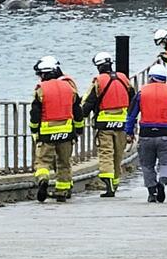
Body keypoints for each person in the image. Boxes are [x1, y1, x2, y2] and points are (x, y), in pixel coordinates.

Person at [125, 64, 167, 203]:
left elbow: (131, 116)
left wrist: (129, 132)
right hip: (166, 133)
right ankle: (163, 181)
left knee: (147, 165)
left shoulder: (141, 93)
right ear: (165, 79)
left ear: (150, 78)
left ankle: (151, 192)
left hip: (146, 134)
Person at [29, 56, 84, 203]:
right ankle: (62, 191)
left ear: (44, 74)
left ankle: (43, 180)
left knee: (42, 162)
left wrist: (34, 130)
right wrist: (79, 129)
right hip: (66, 133)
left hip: (47, 133)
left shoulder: (41, 90)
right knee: (64, 163)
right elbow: (77, 111)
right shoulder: (69, 87)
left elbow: (35, 113)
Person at [81, 52, 135, 198]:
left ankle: (108, 183)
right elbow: (133, 100)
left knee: (106, 154)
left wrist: (79, 119)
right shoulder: (124, 79)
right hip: (122, 125)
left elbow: (88, 103)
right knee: (118, 155)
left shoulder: (98, 81)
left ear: (98, 66)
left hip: (104, 125)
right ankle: (115, 183)